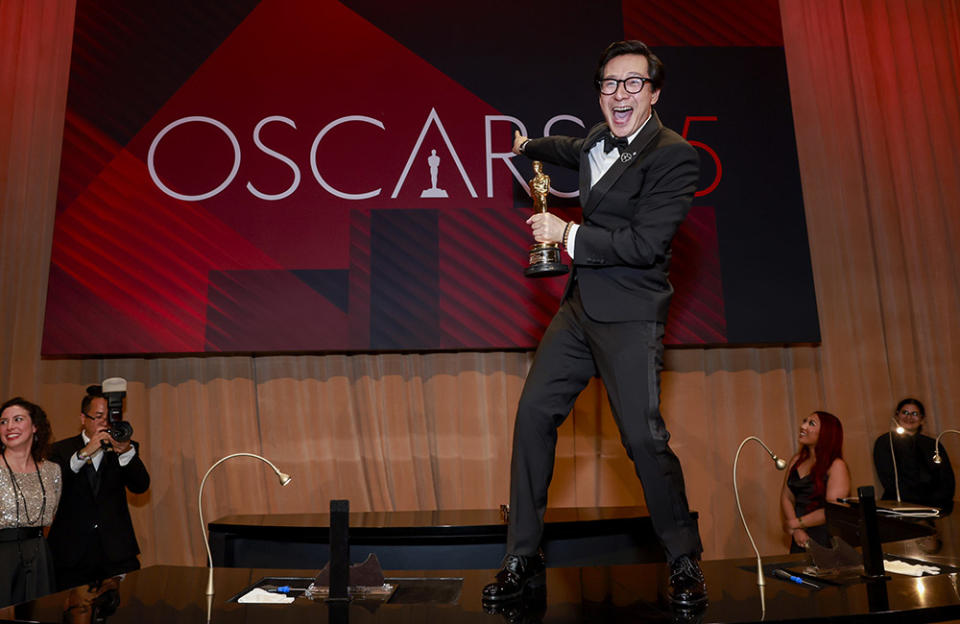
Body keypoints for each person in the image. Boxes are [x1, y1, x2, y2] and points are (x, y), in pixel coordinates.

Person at [482, 40, 705, 607]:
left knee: (642, 438)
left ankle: (683, 558)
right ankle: (521, 555)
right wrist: (527, 144)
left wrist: (566, 235)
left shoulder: (674, 156)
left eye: (633, 83)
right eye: (609, 83)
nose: (619, 93)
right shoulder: (598, 141)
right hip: (580, 311)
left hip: (631, 314)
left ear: (654, 93)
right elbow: (568, 146)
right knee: (533, 416)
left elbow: (646, 243)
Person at [47, 386, 150, 590]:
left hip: (116, 551)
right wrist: (85, 452)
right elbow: (52, 485)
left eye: (109, 417)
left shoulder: (125, 447)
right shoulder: (60, 449)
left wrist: (126, 452)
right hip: (71, 553)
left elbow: (141, 486)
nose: (105, 423)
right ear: (83, 418)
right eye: (98, 416)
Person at [0, 397, 62, 607]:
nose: (9, 427)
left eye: (17, 419)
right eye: (3, 422)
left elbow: (51, 516)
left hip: (39, 557)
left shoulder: (52, 471)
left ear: (35, 427)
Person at [780, 411, 850, 552]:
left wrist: (796, 523)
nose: (803, 426)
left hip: (824, 537)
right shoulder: (796, 460)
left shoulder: (836, 465)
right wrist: (796, 530)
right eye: (804, 421)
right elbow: (786, 497)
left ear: (826, 433)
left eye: (811, 423)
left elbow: (833, 510)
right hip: (799, 536)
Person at [873, 397, 954, 513]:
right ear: (897, 415)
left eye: (914, 414)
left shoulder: (933, 444)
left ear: (922, 419)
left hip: (934, 507)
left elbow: (947, 480)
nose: (909, 417)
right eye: (904, 412)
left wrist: (936, 503)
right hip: (899, 507)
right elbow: (888, 478)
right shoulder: (886, 442)